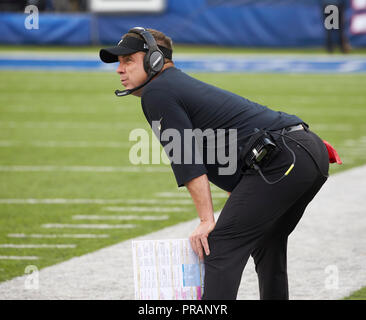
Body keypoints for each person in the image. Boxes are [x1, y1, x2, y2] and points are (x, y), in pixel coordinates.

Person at [99, 28, 330, 300]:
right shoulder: (174, 85)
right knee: (268, 245)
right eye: (119, 62)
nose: (119, 69)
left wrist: (206, 220)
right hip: (300, 152)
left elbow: (186, 157)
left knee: (218, 246)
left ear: (155, 60)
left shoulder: (158, 92)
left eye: (128, 60)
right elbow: (229, 145)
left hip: (284, 158)